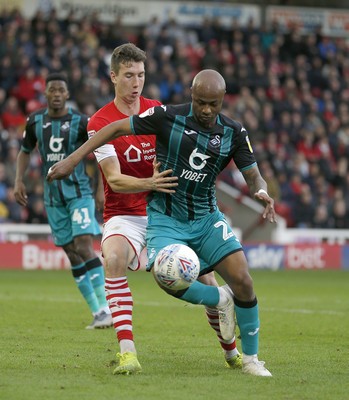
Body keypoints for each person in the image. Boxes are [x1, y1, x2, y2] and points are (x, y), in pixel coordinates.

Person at [47, 69, 277, 376]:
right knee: (166, 275)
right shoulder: (167, 116)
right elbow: (115, 129)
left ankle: (250, 359)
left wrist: (261, 191)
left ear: (223, 100)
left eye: (213, 104)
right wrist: (74, 158)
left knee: (244, 280)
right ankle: (220, 300)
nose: (206, 110)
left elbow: (252, 174)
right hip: (165, 218)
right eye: (200, 102)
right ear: (191, 96)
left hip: (207, 218)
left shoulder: (234, 132)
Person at [84, 43, 241, 375]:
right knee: (113, 258)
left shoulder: (158, 110)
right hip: (124, 214)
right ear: (113, 77)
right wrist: (150, 183)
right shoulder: (99, 122)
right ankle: (127, 353)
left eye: (141, 75)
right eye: (128, 75)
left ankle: (232, 353)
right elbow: (114, 178)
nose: (136, 82)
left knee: (207, 279)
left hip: (165, 212)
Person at [14, 72, 112, 330]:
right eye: (52, 90)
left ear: (67, 95)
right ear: (45, 94)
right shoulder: (35, 121)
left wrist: (102, 189)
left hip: (79, 193)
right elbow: (24, 152)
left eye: (61, 90)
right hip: (53, 198)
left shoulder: (81, 122)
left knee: (83, 245)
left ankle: (107, 307)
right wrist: (18, 181)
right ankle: (98, 312)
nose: (56, 94)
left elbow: (102, 151)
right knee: (71, 252)